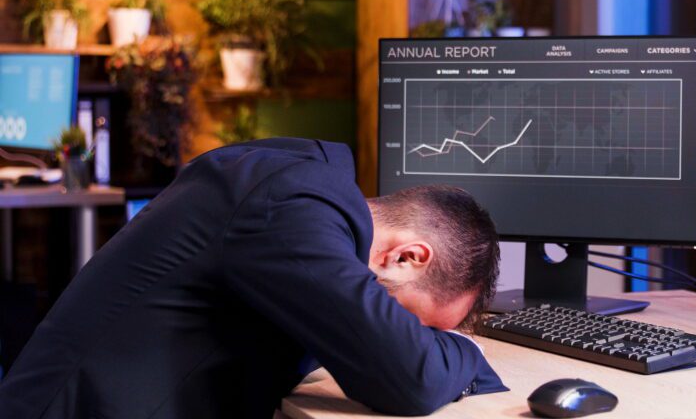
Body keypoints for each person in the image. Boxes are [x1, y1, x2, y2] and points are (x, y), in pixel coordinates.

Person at [0, 138, 505, 418]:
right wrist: (468, 352)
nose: (416, 337)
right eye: (417, 324)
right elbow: (408, 376)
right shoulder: (292, 204)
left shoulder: (291, 185)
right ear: (407, 257)